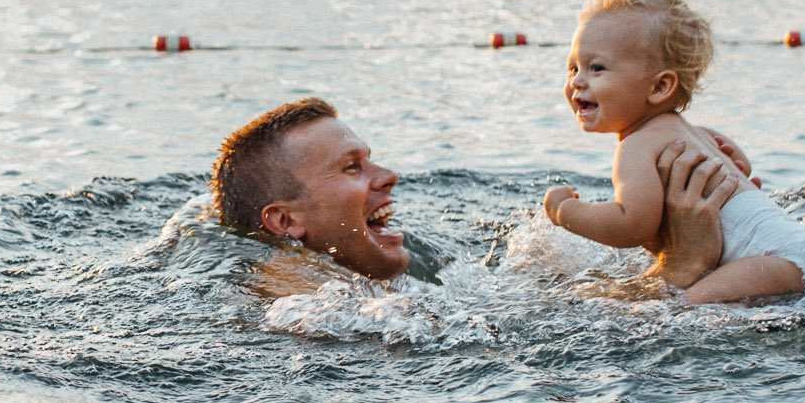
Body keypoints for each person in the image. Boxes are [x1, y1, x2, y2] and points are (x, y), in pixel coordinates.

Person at [209, 96, 743, 296]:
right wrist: (680, 268)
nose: (389, 175)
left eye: (372, 159)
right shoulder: (291, 289)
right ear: (284, 222)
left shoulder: (363, 275)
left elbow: (518, 310)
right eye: (352, 168)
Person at [543, 0, 805, 303]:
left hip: (778, 264)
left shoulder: (637, 146)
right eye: (573, 68)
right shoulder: (699, 134)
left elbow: (632, 224)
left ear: (660, 87)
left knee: (680, 307)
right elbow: (741, 166)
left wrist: (564, 211)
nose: (577, 82)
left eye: (596, 68)